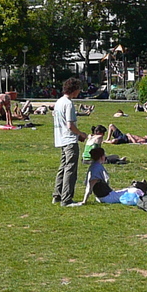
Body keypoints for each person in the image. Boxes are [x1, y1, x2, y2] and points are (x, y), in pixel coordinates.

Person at [52, 77, 87, 206]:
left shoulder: (59, 102)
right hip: (69, 140)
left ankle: (57, 195)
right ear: (74, 89)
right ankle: (66, 199)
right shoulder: (68, 103)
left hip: (61, 139)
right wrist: (81, 134)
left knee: (62, 168)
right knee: (70, 170)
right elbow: (70, 125)